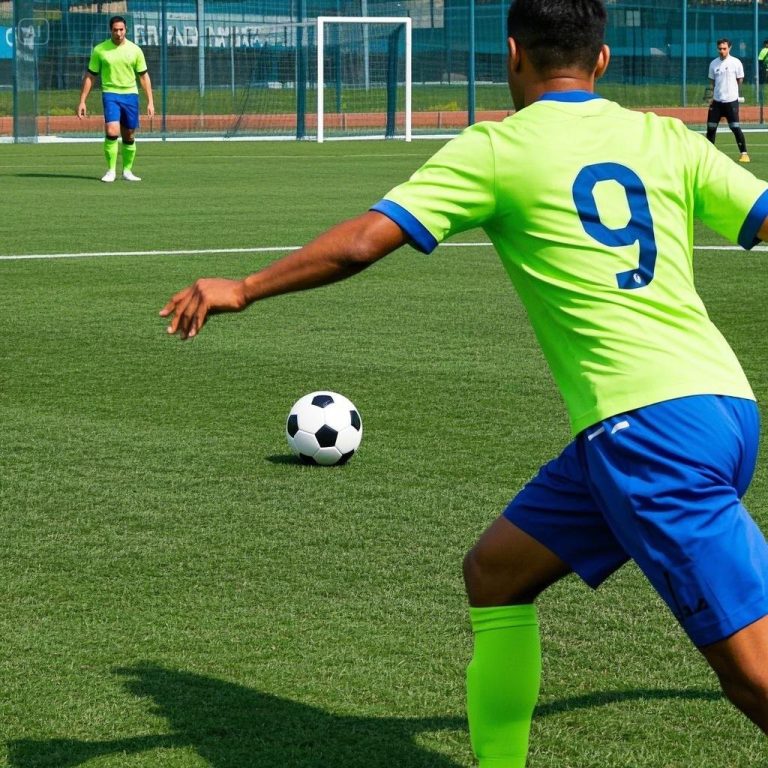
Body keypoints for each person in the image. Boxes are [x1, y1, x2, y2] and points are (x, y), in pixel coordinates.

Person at [160, 0, 768, 764]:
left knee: (754, 679)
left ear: (512, 54)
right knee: (495, 574)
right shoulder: (660, 135)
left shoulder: (496, 147)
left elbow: (360, 244)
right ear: (603, 60)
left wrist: (243, 287)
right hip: (717, 407)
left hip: (647, 434)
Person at [76, 15, 154, 183]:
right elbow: (90, 76)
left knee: (129, 135)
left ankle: (127, 171)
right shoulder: (100, 50)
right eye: (115, 30)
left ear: (126, 30)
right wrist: (82, 100)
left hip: (131, 95)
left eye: (121, 29)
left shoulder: (135, 50)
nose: (118, 33)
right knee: (112, 131)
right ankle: (111, 170)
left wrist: (150, 101)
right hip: (110, 94)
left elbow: (143, 77)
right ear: (110, 30)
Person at [706, 38, 750, 162]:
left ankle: (744, 153)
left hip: (731, 101)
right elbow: (712, 83)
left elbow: (739, 80)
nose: (722, 51)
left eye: (724, 49)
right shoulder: (713, 64)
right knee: (711, 127)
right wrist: (711, 97)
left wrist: (733, 93)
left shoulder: (736, 63)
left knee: (735, 127)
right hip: (716, 101)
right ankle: (710, 155)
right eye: (720, 48)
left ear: (729, 48)